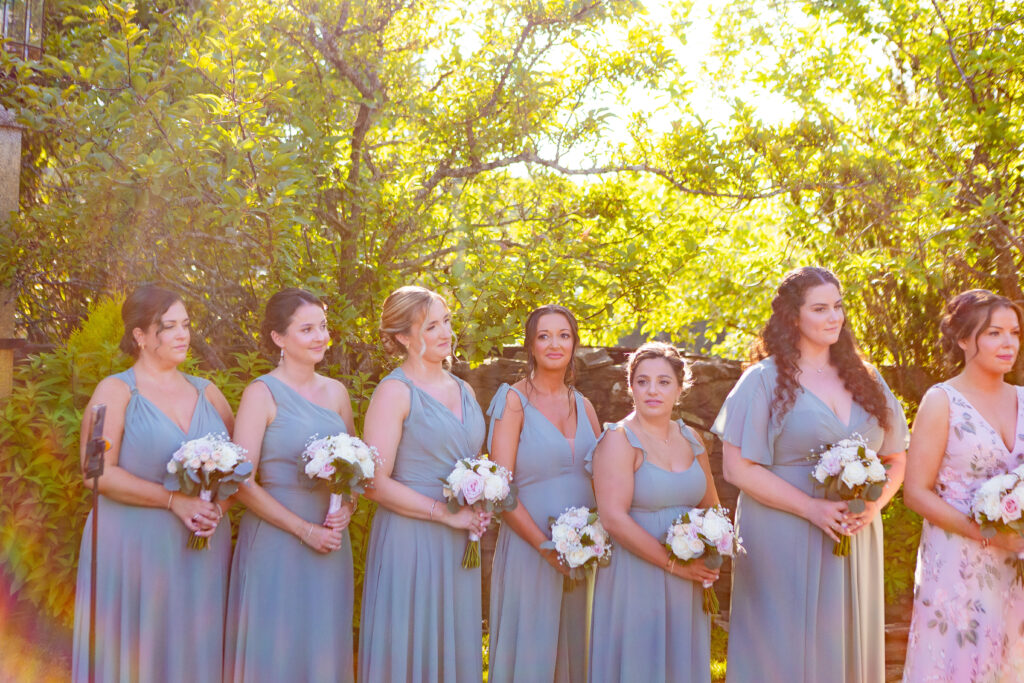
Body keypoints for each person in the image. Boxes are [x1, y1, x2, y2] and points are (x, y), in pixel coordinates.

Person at [713, 266, 908, 682]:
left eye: (838, 307)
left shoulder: (868, 379)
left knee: (843, 641)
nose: (834, 317)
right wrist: (811, 509)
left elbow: (896, 457)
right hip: (782, 530)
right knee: (784, 645)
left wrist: (874, 506)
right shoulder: (763, 381)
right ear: (793, 317)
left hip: (854, 531)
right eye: (820, 308)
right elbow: (737, 467)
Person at [71, 285, 234, 682]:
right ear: (140, 336)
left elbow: (236, 469)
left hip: (201, 548)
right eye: (169, 327)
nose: (183, 334)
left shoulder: (209, 393)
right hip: (133, 548)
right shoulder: (114, 391)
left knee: (194, 649)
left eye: (186, 325)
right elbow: (96, 472)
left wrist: (217, 510)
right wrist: (173, 501)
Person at [223, 288, 357, 683]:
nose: (321, 337)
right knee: (274, 650)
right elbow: (241, 482)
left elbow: (355, 469)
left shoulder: (337, 393)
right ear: (278, 338)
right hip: (277, 541)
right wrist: (304, 530)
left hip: (330, 543)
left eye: (323, 327)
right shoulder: (260, 393)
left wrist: (346, 507)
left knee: (322, 646)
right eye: (307, 329)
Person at [358, 286, 490, 683]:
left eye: (447, 321)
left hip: (459, 541)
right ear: (403, 336)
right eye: (431, 325)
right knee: (410, 648)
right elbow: (373, 484)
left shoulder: (464, 389)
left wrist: (481, 497)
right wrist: (444, 515)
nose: (445, 332)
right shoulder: (394, 392)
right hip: (410, 539)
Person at [903, 289, 1024, 681]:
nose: (1008, 343)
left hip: (1018, 561)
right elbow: (915, 492)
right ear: (963, 339)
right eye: (994, 333)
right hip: (959, 562)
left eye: (1014, 333)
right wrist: (986, 534)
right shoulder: (942, 401)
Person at [588, 342, 719, 683]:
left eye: (663, 382)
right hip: (637, 574)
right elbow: (613, 518)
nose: (652, 390)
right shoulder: (618, 439)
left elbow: (712, 508)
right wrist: (673, 563)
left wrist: (712, 553)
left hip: (687, 576)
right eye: (642, 381)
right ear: (631, 387)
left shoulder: (691, 438)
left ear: (679, 387)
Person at [487, 305, 602, 683]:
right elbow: (499, 490)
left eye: (564, 335)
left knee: (579, 650)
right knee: (533, 656)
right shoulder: (512, 401)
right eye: (544, 336)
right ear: (530, 346)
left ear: (575, 343)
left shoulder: (584, 405)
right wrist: (544, 547)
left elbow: (604, 480)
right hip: (529, 550)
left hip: (582, 553)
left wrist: (591, 540)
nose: (555, 344)